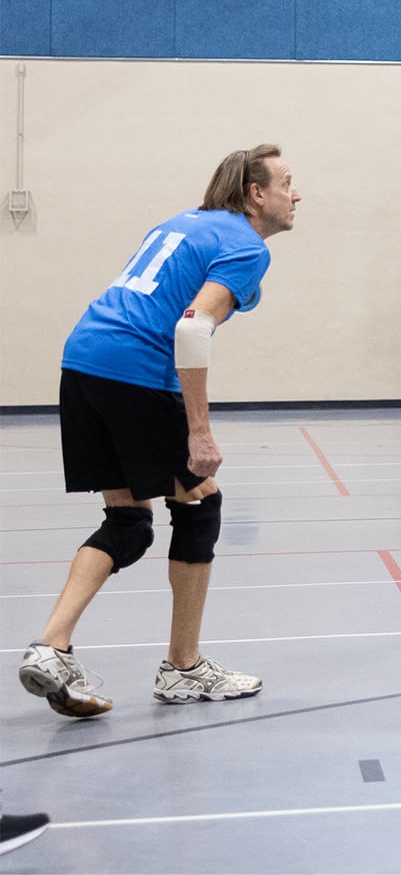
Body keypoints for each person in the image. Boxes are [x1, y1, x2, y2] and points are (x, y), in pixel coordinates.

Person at [18, 145, 299, 718]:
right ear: (255, 194)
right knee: (200, 504)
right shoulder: (246, 245)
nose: (297, 194)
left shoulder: (183, 223)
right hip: (135, 371)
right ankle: (184, 668)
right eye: (287, 182)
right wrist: (199, 431)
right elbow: (192, 328)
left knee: (128, 522)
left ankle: (51, 648)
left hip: (84, 359)